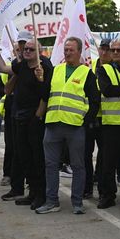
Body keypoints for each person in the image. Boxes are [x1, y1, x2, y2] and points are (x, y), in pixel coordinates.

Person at [36, 37, 100, 215]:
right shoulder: (56, 70)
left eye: (71, 50)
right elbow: (45, 95)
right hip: (53, 124)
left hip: (75, 127)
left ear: (79, 52)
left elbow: (95, 101)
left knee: (78, 166)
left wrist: (85, 122)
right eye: (66, 49)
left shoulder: (87, 73)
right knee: (50, 165)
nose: (67, 52)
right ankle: (51, 201)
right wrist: (40, 79)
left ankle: (77, 202)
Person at [0, 38, 53, 210]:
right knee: (24, 157)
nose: (26, 51)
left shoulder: (45, 67)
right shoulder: (22, 66)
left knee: (37, 159)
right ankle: (32, 192)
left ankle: (41, 195)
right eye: (25, 49)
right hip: (19, 117)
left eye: (30, 49)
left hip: (34, 119)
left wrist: (37, 117)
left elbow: (46, 95)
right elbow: (3, 69)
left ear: (39, 52)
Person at [96, 39, 120, 210]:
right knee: (108, 163)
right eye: (114, 50)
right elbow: (107, 90)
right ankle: (107, 195)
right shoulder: (103, 69)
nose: (116, 53)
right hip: (110, 123)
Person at [85, 39, 111, 198]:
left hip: (106, 118)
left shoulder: (114, 68)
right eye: (103, 49)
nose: (105, 52)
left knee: (104, 156)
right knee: (85, 154)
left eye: (108, 50)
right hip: (90, 116)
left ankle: (101, 185)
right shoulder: (91, 65)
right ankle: (87, 187)